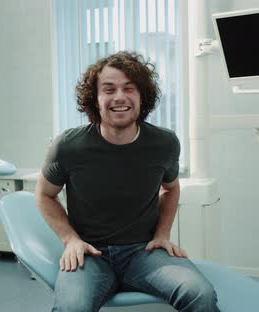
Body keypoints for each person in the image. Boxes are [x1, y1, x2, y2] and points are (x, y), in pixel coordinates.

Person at [36, 51, 220, 312]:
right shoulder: (68, 145)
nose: (119, 97)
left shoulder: (164, 143)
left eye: (129, 88)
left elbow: (171, 187)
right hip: (90, 253)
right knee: (71, 307)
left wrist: (162, 234)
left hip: (143, 252)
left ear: (141, 96)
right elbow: (44, 194)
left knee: (199, 294)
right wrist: (70, 240)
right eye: (108, 89)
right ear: (95, 99)